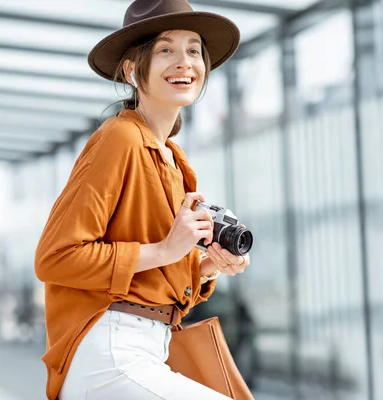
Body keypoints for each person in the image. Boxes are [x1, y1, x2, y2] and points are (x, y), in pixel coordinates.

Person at [34, 1, 249, 399]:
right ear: (134, 70)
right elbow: (54, 257)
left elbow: (156, 276)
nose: (184, 62)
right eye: (166, 50)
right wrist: (166, 249)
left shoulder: (174, 161)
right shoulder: (120, 138)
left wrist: (206, 267)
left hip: (151, 349)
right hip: (109, 351)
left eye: (193, 50)